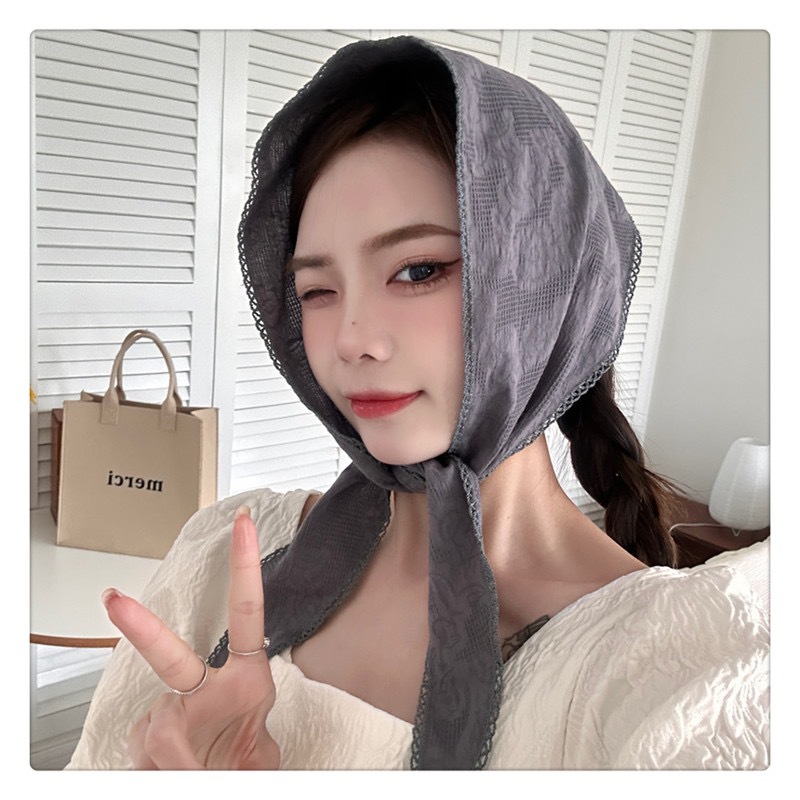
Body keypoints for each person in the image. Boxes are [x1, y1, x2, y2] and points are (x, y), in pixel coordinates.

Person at [66, 36, 768, 770]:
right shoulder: (221, 556)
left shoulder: (676, 676)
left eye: (419, 270)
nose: (351, 339)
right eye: (317, 289)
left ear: (549, 286)